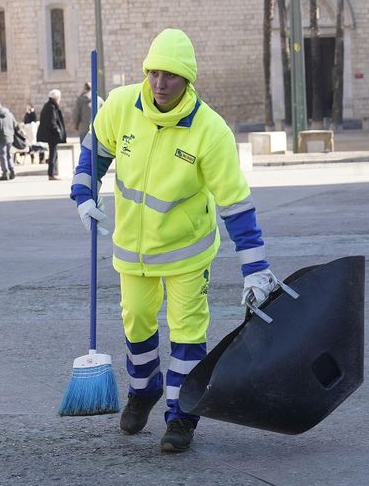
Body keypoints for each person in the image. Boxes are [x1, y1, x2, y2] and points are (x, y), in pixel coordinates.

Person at [70, 28, 283, 453]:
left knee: (187, 331)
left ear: (187, 79)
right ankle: (143, 391)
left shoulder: (210, 131)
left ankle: (181, 415)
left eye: (169, 75)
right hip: (132, 249)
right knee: (137, 322)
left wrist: (255, 269)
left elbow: (235, 203)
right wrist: (82, 194)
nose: (159, 84)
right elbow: (95, 150)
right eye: (153, 73)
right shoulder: (121, 106)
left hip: (187, 252)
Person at [38, 89, 66, 180]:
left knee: (54, 154)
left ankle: (54, 172)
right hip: (52, 135)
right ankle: (51, 174)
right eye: (59, 98)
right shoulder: (51, 107)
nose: (60, 99)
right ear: (56, 98)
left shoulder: (50, 106)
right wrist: (58, 132)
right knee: (53, 154)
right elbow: (52, 122)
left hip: (51, 135)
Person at [0, 101, 17, 181]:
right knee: (8, 155)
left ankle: (5, 173)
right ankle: (12, 171)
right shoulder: (9, 113)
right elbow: (15, 124)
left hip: (1, 137)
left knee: (2, 155)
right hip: (10, 137)